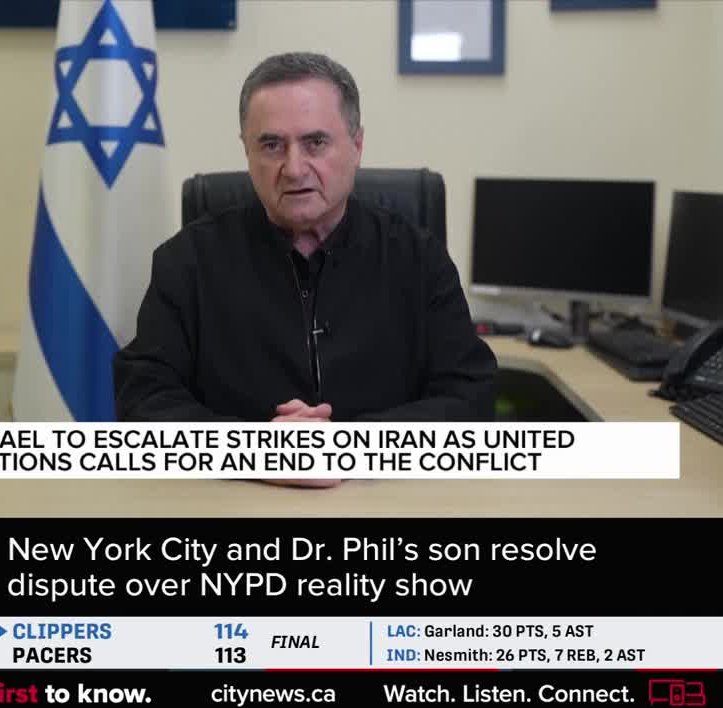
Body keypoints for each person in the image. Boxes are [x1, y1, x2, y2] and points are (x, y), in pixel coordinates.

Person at [112, 52, 497, 485]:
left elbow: (472, 397)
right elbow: (143, 401)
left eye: (315, 143)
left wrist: (352, 449)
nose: (293, 169)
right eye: (271, 145)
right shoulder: (187, 261)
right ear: (246, 150)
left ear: (357, 145)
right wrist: (257, 451)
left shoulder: (418, 257)